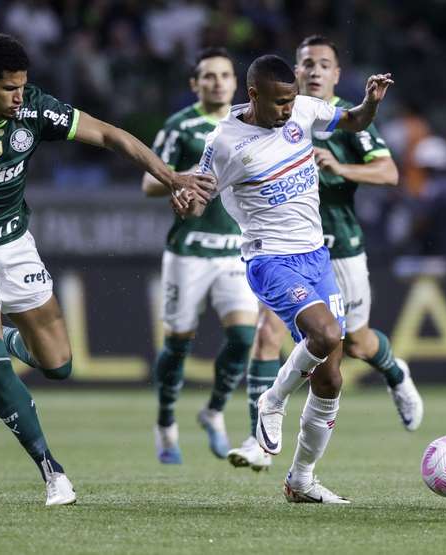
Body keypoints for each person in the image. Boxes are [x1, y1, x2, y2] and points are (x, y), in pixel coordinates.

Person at [0, 31, 213, 506]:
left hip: (15, 245)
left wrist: (170, 177)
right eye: (8, 88)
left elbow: (108, 134)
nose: (19, 97)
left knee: (58, 366)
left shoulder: (34, 109)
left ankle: (4, 339)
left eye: (23, 86)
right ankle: (52, 471)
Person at [181, 54, 393, 503]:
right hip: (271, 259)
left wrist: (370, 102)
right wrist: (185, 203)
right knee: (327, 333)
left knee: (331, 378)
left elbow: (352, 121)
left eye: (291, 100)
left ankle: (301, 479)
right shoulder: (224, 142)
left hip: (317, 256)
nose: (287, 110)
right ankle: (272, 400)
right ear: (253, 94)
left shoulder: (303, 109)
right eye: (278, 102)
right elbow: (198, 195)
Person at [227, 36, 423, 472]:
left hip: (339, 248)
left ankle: (395, 374)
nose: (314, 71)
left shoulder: (337, 118)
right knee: (267, 336)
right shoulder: (275, 120)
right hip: (280, 254)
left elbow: (390, 172)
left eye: (324, 64)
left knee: (354, 343)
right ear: (295, 71)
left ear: (336, 73)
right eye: (307, 64)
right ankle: (260, 435)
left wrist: (339, 167)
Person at [141, 48, 264, 467]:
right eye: (208, 76)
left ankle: (213, 411)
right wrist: (182, 176)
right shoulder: (181, 126)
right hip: (189, 250)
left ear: (236, 82)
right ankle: (165, 424)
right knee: (178, 343)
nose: (217, 82)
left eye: (224, 75)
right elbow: (147, 184)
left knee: (244, 338)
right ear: (195, 84)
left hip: (235, 248)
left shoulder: (251, 122)